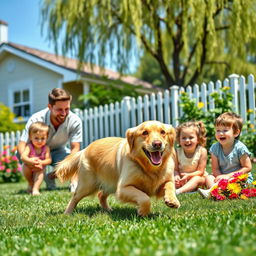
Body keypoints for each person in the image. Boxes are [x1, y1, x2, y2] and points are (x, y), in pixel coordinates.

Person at [17, 88, 83, 191]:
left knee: (77, 159)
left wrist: (70, 168)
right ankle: (32, 183)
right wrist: (30, 161)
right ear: (50, 107)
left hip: (58, 151)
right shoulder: (36, 118)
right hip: (36, 152)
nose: (64, 113)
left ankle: (65, 181)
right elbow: (22, 144)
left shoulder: (75, 121)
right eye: (59, 110)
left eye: (67, 109)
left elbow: (75, 148)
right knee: (20, 153)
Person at [198, 112, 253, 198]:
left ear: (236, 133)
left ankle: (214, 192)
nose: (220, 133)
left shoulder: (240, 148)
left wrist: (228, 176)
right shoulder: (215, 148)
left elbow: (247, 167)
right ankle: (217, 191)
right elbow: (215, 169)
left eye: (225, 130)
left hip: (239, 178)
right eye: (218, 130)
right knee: (208, 177)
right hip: (221, 176)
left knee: (233, 180)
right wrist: (221, 178)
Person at [174, 121, 208, 195]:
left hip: (199, 179)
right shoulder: (177, 152)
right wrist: (176, 176)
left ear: (198, 139)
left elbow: (200, 172)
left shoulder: (202, 151)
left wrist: (188, 176)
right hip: (183, 179)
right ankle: (183, 188)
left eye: (191, 137)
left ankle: (179, 191)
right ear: (179, 140)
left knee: (196, 179)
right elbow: (175, 170)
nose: (187, 140)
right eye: (183, 138)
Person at [21, 122, 52, 195]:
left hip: (39, 167)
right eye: (36, 138)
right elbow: (23, 157)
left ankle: (35, 189)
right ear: (30, 137)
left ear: (47, 137)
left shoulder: (46, 148)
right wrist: (31, 161)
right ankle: (31, 183)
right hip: (29, 167)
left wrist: (41, 162)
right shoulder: (29, 147)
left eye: (43, 138)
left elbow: (49, 160)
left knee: (40, 173)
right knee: (25, 166)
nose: (39, 141)